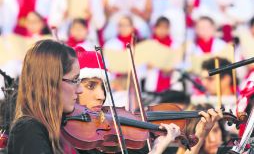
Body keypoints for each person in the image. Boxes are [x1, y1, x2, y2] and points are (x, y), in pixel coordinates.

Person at [6, 39, 183, 154]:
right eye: (75, 80)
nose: (79, 90)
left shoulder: (59, 129)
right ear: (50, 82)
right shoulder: (29, 129)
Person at [74, 46, 224, 154]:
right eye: (90, 86)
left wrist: (201, 133)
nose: (101, 95)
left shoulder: (113, 138)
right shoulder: (67, 141)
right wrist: (158, 149)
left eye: (104, 86)